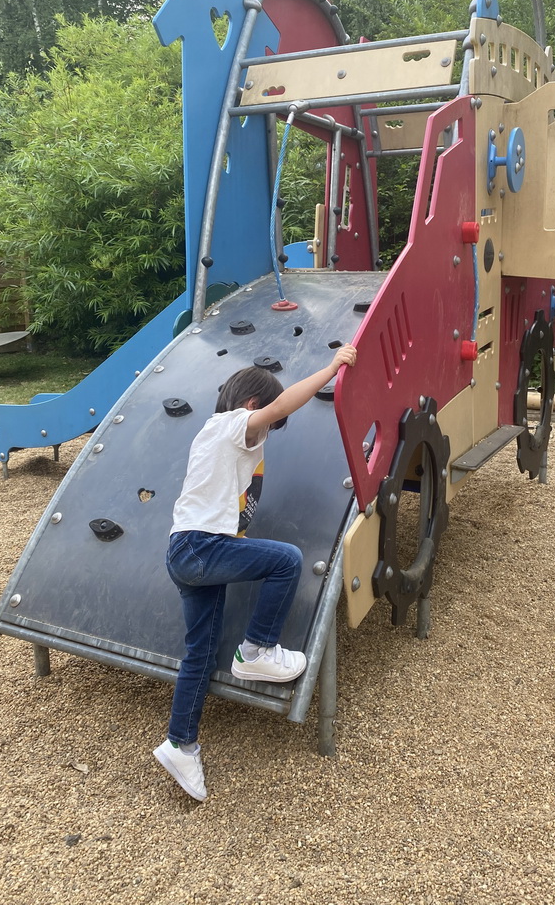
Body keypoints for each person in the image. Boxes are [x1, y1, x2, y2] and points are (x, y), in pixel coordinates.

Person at [153, 343, 357, 801]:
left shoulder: (211, 431)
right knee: (286, 559)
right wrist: (331, 367)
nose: (268, 433)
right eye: (268, 424)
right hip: (200, 547)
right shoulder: (232, 426)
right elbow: (281, 404)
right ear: (251, 407)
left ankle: (180, 744)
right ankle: (256, 650)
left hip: (186, 552)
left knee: (200, 654)